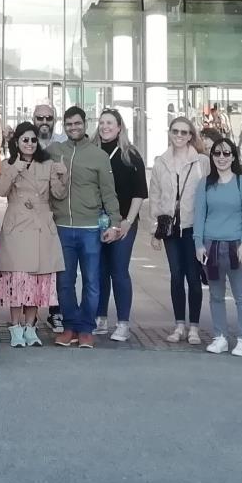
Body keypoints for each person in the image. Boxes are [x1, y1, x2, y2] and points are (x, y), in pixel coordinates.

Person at [47, 105, 120, 348]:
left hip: (90, 228)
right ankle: (69, 327)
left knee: (91, 280)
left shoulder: (98, 156)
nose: (73, 127)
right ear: (64, 126)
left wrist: (116, 223)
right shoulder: (54, 151)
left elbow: (109, 193)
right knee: (64, 281)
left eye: (77, 123)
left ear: (84, 124)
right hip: (62, 226)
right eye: (68, 124)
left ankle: (86, 328)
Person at [0, 122, 63, 348]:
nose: (30, 144)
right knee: (18, 280)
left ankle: (30, 327)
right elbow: (1, 190)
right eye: (25, 139)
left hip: (41, 226)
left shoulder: (48, 165)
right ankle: (15, 328)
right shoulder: (8, 164)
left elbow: (59, 194)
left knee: (36, 280)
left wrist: (61, 176)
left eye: (33, 140)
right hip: (17, 227)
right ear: (17, 142)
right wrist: (16, 168)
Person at [194, 133, 242, 356]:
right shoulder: (206, 184)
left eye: (226, 153)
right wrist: (198, 244)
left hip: (235, 245)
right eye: (217, 153)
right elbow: (199, 215)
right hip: (211, 245)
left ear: (233, 157)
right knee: (216, 295)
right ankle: (220, 336)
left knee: (241, 295)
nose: (221, 157)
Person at [149, 114, 209, 342]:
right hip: (170, 227)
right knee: (176, 275)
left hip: (194, 226)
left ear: (191, 136)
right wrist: (156, 227)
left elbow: (207, 193)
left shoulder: (201, 162)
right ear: (170, 133)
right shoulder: (160, 161)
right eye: (175, 131)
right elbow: (154, 194)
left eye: (184, 132)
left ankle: (194, 326)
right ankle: (179, 325)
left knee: (193, 276)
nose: (179, 136)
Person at [93, 110, 148, 342]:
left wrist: (127, 222)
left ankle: (123, 322)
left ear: (119, 127)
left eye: (110, 123)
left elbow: (139, 192)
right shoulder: (92, 152)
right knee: (99, 272)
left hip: (123, 222)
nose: (105, 127)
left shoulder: (130, 155)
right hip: (96, 221)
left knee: (119, 270)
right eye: (102, 123)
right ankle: (100, 318)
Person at [29, 102, 62, 331]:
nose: (43, 122)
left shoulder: (62, 145)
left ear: (54, 121)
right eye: (39, 118)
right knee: (29, 264)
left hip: (57, 214)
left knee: (56, 266)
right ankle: (27, 314)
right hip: (30, 215)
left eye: (48, 118)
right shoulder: (26, 142)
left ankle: (56, 311)